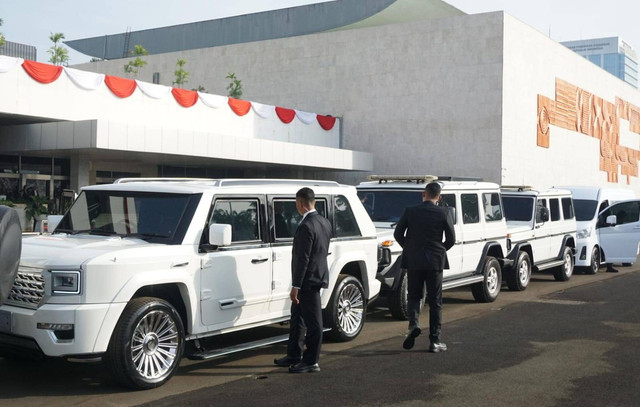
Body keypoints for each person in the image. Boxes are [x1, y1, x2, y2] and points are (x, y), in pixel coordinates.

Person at [274, 187, 333, 373]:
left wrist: (296, 286)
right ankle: (294, 354)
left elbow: (303, 258)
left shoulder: (307, 225)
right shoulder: (324, 222)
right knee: (297, 317)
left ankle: (311, 361)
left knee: (313, 322)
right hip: (317, 275)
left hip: (309, 281)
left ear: (300, 203)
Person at [394, 181, 455, 352]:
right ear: (439, 197)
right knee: (436, 301)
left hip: (414, 260)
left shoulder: (410, 211)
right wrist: (440, 249)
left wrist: (409, 248)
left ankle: (413, 325)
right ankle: (434, 341)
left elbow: (397, 233)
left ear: (424, 194)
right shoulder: (444, 212)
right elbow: (451, 239)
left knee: (414, 296)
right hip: (435, 261)